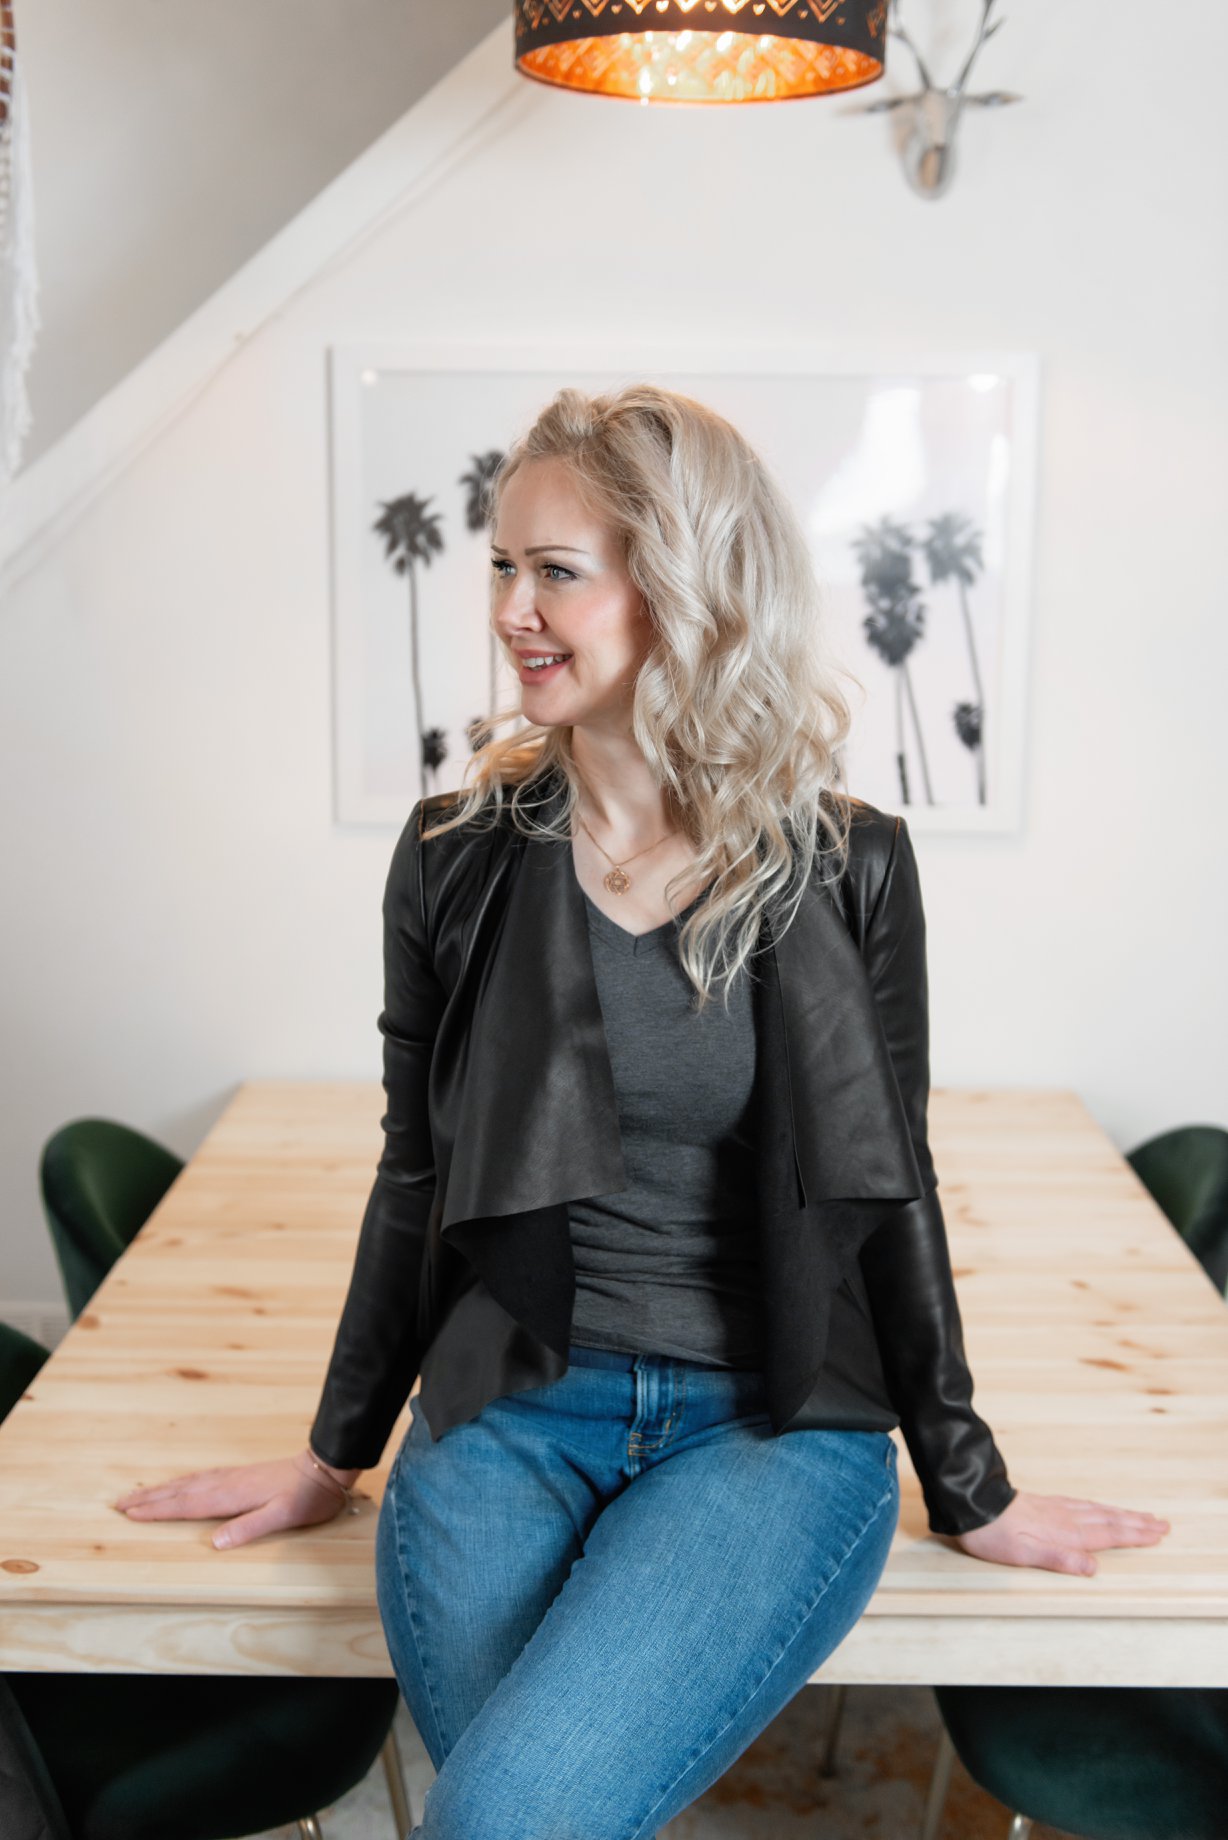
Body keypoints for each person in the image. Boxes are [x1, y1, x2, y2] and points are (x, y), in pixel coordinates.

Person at [115, 384, 1170, 1839]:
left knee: (501, 1819)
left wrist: (968, 1480)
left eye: (557, 570)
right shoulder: (453, 858)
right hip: (510, 1414)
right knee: (532, 1814)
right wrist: (332, 1450)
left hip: (769, 1428)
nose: (510, 608)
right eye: (501, 565)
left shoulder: (844, 863)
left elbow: (892, 1179)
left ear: (681, 590)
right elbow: (414, 1173)